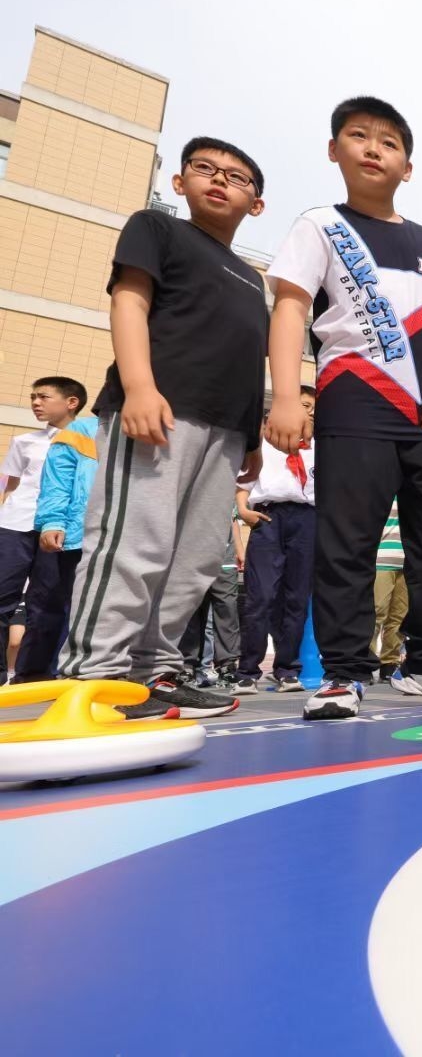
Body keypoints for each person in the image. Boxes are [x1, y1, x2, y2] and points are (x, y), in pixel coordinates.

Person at [265, 96, 422, 720]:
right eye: (357, 137)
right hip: (353, 406)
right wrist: (284, 396)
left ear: (407, 166)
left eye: (388, 143)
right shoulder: (319, 225)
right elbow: (289, 308)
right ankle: (343, 674)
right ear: (334, 150)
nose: (372, 149)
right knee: (347, 544)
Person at [60, 136, 271, 720]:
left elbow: (246, 355)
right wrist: (139, 387)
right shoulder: (156, 228)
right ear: (180, 184)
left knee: (197, 558)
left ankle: (154, 672)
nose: (220, 179)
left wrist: (251, 435)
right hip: (159, 410)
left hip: (226, 431)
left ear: (256, 204)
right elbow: (129, 302)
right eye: (204, 169)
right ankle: (94, 674)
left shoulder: (255, 280)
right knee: (135, 542)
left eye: (237, 176)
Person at [235, 387, 317, 694]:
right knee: (261, 596)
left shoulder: (315, 445)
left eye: (312, 408)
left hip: (307, 519)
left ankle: (287, 669)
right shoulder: (263, 437)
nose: (309, 412)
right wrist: (244, 510)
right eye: (305, 405)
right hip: (269, 518)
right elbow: (245, 477)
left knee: (296, 598)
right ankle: (247, 671)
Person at [0, 377, 87, 649]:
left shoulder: (91, 442)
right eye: (32, 397)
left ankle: (35, 675)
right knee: (3, 596)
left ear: (72, 402)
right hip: (15, 526)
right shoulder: (24, 441)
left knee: (49, 602)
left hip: (61, 531)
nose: (35, 403)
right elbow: (8, 483)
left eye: (43, 397)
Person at [11, 409, 97, 681]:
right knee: (48, 605)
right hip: (73, 535)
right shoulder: (82, 430)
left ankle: (79, 675)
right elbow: (57, 481)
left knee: (97, 611)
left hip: (120, 537)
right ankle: (33, 675)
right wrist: (52, 522)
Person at [178, 526, 243, 689]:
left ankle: (227, 666)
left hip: (224, 555)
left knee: (227, 609)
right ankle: (188, 666)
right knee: (191, 610)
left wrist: (240, 549)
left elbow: (233, 519)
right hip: (191, 554)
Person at [372, 500, 407, 680]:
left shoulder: (414, 490)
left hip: (408, 561)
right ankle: (367, 660)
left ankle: (389, 662)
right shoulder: (381, 488)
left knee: (399, 617)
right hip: (380, 559)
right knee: (377, 612)